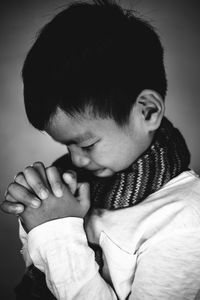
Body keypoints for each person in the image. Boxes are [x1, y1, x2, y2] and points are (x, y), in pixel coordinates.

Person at [1, 0, 200, 299]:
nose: (76, 158)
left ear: (147, 111)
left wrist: (56, 230)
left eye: (87, 143)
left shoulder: (184, 221)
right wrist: (38, 212)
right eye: (66, 145)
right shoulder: (74, 181)